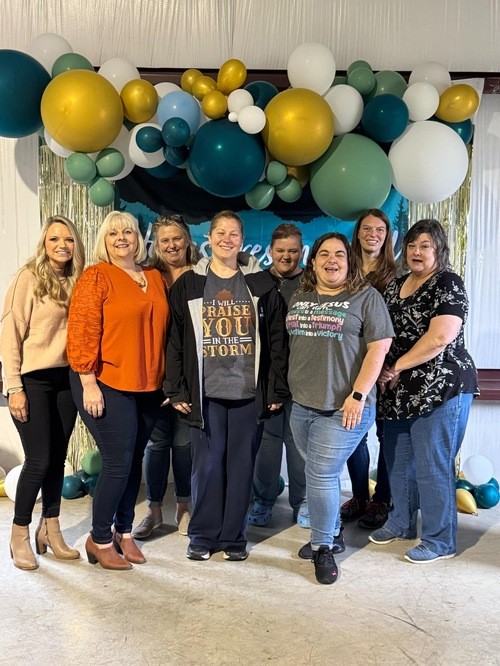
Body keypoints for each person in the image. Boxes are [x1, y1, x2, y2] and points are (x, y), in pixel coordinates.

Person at [164, 210, 289, 562]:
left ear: (242, 240)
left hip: (248, 393)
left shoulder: (262, 284)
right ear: (209, 238)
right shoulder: (189, 284)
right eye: (220, 232)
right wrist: (176, 389)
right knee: (206, 466)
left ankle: (234, 536)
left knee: (240, 466)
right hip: (206, 394)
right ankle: (203, 535)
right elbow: (174, 340)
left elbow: (277, 341)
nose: (226, 239)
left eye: (234, 233)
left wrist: (276, 390)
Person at [370, 219, 479, 563]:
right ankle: (400, 522)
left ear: (439, 250)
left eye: (425, 246)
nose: (417, 252)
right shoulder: (395, 285)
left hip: (441, 386)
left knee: (433, 465)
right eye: (412, 245)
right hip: (398, 390)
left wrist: (396, 367)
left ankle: (439, 540)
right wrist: (381, 368)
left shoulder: (448, 283)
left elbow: (440, 337)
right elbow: (380, 331)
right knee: (398, 461)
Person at [287, 232, 394, 585]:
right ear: (313, 261)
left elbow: (379, 348)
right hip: (302, 403)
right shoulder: (300, 295)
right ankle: (332, 532)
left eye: (339, 254)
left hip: (345, 406)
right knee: (321, 473)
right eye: (323, 254)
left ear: (350, 262)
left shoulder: (366, 297)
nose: (331, 260)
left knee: (320, 473)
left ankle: (322, 547)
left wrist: (358, 395)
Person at [67, 211, 169, 570]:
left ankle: (124, 533)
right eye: (113, 233)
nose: (122, 237)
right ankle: (99, 539)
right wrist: (88, 382)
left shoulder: (154, 276)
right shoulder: (96, 276)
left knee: (134, 459)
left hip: (149, 384)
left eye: (128, 231)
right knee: (117, 462)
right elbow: (81, 330)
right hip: (106, 381)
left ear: (138, 238)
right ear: (104, 240)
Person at [0, 215, 85, 570]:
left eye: (68, 239)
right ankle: (19, 533)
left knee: (57, 459)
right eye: (54, 239)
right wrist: (14, 386)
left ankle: (50, 528)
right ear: (44, 244)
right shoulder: (29, 277)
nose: (62, 245)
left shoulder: (78, 279)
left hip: (67, 379)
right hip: (32, 380)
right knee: (38, 459)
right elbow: (9, 333)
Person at [133, 214, 200, 540]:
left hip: (191, 378)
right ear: (156, 245)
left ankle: (184, 507)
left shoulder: (202, 274)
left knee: (184, 444)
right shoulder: (148, 277)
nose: (172, 245)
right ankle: (154, 511)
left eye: (176, 238)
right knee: (157, 444)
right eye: (165, 240)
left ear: (187, 240)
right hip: (155, 376)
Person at [248, 223, 308, 528]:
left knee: (298, 445)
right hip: (266, 378)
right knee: (267, 444)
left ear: (301, 251)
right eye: (281, 250)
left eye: (293, 251)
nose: (286, 256)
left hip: (301, 376)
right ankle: (263, 501)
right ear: (271, 251)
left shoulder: (311, 283)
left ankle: (302, 503)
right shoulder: (256, 282)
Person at [340, 209, 396, 529]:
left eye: (379, 229)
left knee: (386, 435)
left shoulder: (396, 275)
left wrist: (390, 366)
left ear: (387, 236)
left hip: (385, 370)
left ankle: (382, 500)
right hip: (351, 367)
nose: (373, 234)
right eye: (366, 228)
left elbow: (399, 325)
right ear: (358, 233)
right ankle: (360, 496)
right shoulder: (344, 271)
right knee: (353, 433)